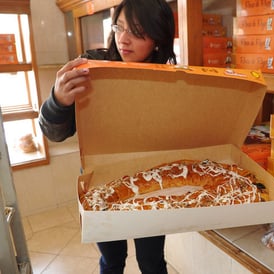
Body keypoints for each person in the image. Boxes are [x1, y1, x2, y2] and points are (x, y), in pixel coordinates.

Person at [38, 0, 176, 273]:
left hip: (150, 186)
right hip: (101, 184)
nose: (123, 39)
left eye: (137, 32)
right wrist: (58, 101)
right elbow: (54, 133)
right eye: (120, 27)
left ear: (158, 39)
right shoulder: (93, 68)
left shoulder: (170, 80)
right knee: (111, 260)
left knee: (152, 262)